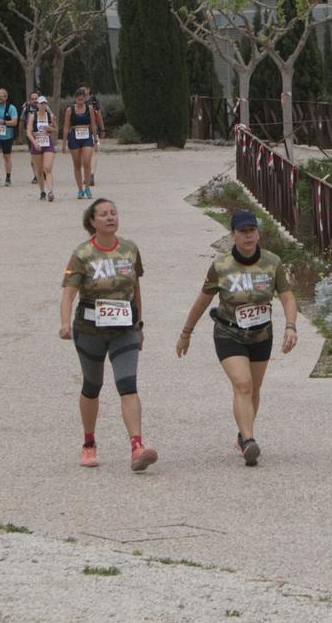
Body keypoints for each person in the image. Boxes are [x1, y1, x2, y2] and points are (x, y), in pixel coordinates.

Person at [174, 209, 297, 465]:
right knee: (242, 384)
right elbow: (202, 301)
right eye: (242, 232)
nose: (248, 236)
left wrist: (291, 326)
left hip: (262, 334)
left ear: (258, 233)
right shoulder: (221, 266)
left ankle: (243, 434)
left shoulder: (272, 262)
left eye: (251, 231)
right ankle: (250, 442)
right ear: (233, 235)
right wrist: (186, 332)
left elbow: (286, 296)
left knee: (254, 388)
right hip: (229, 333)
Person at [58, 197, 157, 471]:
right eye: (103, 214)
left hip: (124, 327)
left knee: (128, 385)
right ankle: (89, 443)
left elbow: (135, 288)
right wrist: (65, 323)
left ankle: (137, 447)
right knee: (93, 386)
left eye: (114, 213)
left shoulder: (129, 249)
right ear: (92, 222)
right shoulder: (82, 253)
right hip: (89, 328)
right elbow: (68, 293)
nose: (110, 218)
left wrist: (140, 325)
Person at [65, 87, 98, 199]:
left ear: (85, 99)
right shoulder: (70, 110)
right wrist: (64, 142)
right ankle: (80, 189)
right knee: (77, 164)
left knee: (87, 162)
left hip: (87, 136)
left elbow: (93, 124)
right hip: (74, 136)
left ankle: (87, 187)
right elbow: (65, 127)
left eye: (82, 99)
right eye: (78, 99)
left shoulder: (89, 109)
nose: (80, 101)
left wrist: (95, 139)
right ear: (75, 99)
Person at [24, 94, 58, 200]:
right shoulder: (32, 116)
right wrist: (34, 143)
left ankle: (50, 192)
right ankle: (42, 191)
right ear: (37, 105)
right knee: (39, 171)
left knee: (47, 168)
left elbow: (56, 129)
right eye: (41, 103)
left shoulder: (50, 116)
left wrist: (50, 128)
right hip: (37, 143)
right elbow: (28, 132)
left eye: (45, 103)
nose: (43, 105)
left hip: (47, 143)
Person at [81, 84, 106, 189]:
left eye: (85, 88)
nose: (84, 90)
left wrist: (102, 128)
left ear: (89, 89)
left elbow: (98, 115)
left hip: (92, 130)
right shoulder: (78, 100)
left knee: (94, 152)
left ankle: (90, 175)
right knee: (84, 154)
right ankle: (88, 174)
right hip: (82, 130)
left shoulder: (94, 100)